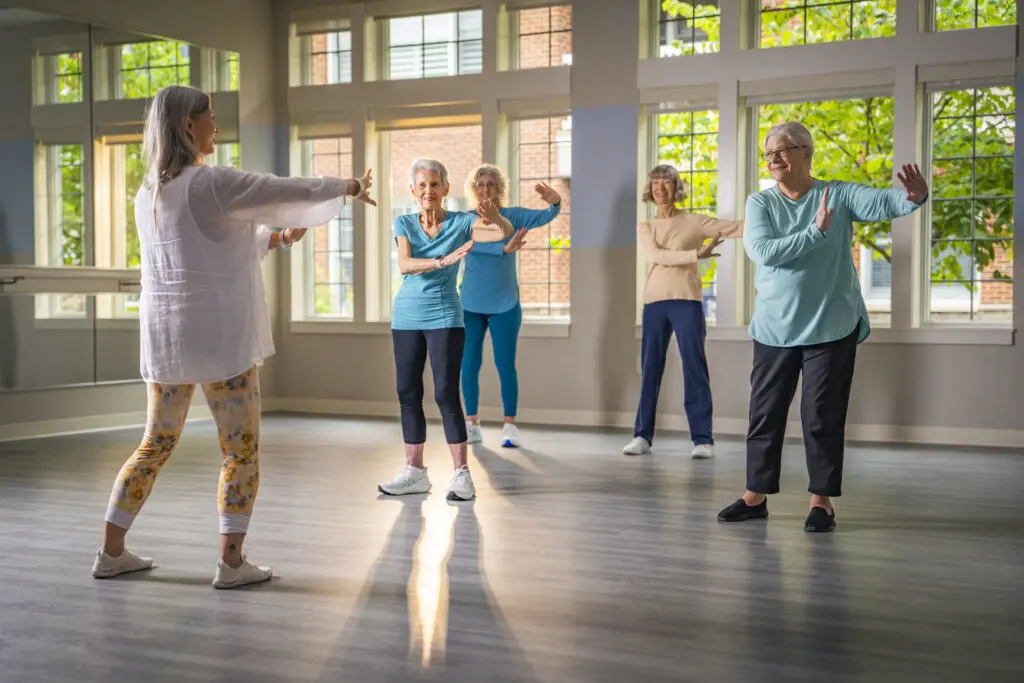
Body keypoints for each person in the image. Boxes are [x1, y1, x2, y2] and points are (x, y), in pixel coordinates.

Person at [91, 85, 375, 587]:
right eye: (210, 118)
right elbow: (280, 189)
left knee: (154, 445)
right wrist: (347, 186)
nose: (215, 127)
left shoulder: (150, 193)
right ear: (187, 127)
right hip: (219, 340)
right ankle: (232, 562)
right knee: (240, 451)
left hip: (166, 341)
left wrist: (280, 237)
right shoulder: (211, 181)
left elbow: (208, 241)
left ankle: (110, 552)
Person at [717, 121, 928, 532]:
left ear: (807, 152)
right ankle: (755, 495)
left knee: (821, 417)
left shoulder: (839, 194)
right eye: (768, 153)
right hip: (775, 328)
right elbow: (763, 252)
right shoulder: (760, 203)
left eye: (783, 150)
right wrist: (815, 232)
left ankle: (821, 501)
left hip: (830, 326)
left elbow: (884, 202)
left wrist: (913, 196)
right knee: (765, 414)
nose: (774, 159)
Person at [378, 158, 514, 501]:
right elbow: (405, 265)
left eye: (434, 184)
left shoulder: (462, 222)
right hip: (406, 316)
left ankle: (462, 474)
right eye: (422, 185)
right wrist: (442, 261)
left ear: (446, 189)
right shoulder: (404, 222)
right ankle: (415, 472)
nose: (428, 190)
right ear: (413, 190)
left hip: (445, 317)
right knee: (408, 393)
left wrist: (494, 215)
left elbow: (502, 233)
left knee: (445, 393)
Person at [623, 164, 743, 459]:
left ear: (676, 188)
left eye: (666, 183)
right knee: (650, 369)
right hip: (654, 303)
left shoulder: (694, 222)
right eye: (655, 184)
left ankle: (703, 440)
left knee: (694, 367)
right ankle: (642, 436)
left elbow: (736, 227)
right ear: (650, 190)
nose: (660, 188)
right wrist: (695, 255)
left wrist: (780, 214)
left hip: (686, 301)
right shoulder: (646, 227)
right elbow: (654, 255)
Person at [459, 164, 563, 448]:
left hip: (505, 304)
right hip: (470, 304)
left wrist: (555, 201)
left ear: (499, 188)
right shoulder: (467, 221)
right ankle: (471, 423)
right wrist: (502, 249)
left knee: (505, 364)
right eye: (480, 184)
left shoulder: (513, 216)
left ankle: (509, 425)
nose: (485, 188)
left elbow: (546, 215)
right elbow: (471, 245)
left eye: (491, 183)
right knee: (469, 364)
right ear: (473, 189)